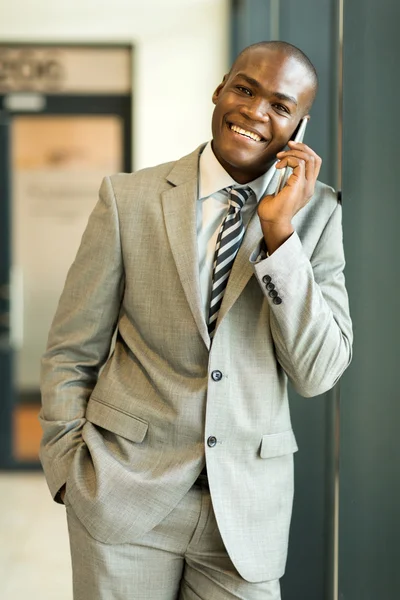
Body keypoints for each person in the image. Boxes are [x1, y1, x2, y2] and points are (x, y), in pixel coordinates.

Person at [39, 41, 352, 600]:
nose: (256, 111)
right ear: (220, 89)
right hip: (122, 495)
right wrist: (67, 471)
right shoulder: (128, 199)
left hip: (245, 512)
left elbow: (318, 373)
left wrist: (280, 236)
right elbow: (72, 348)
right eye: (246, 89)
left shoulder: (319, 214)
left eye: (281, 106)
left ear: (300, 126)